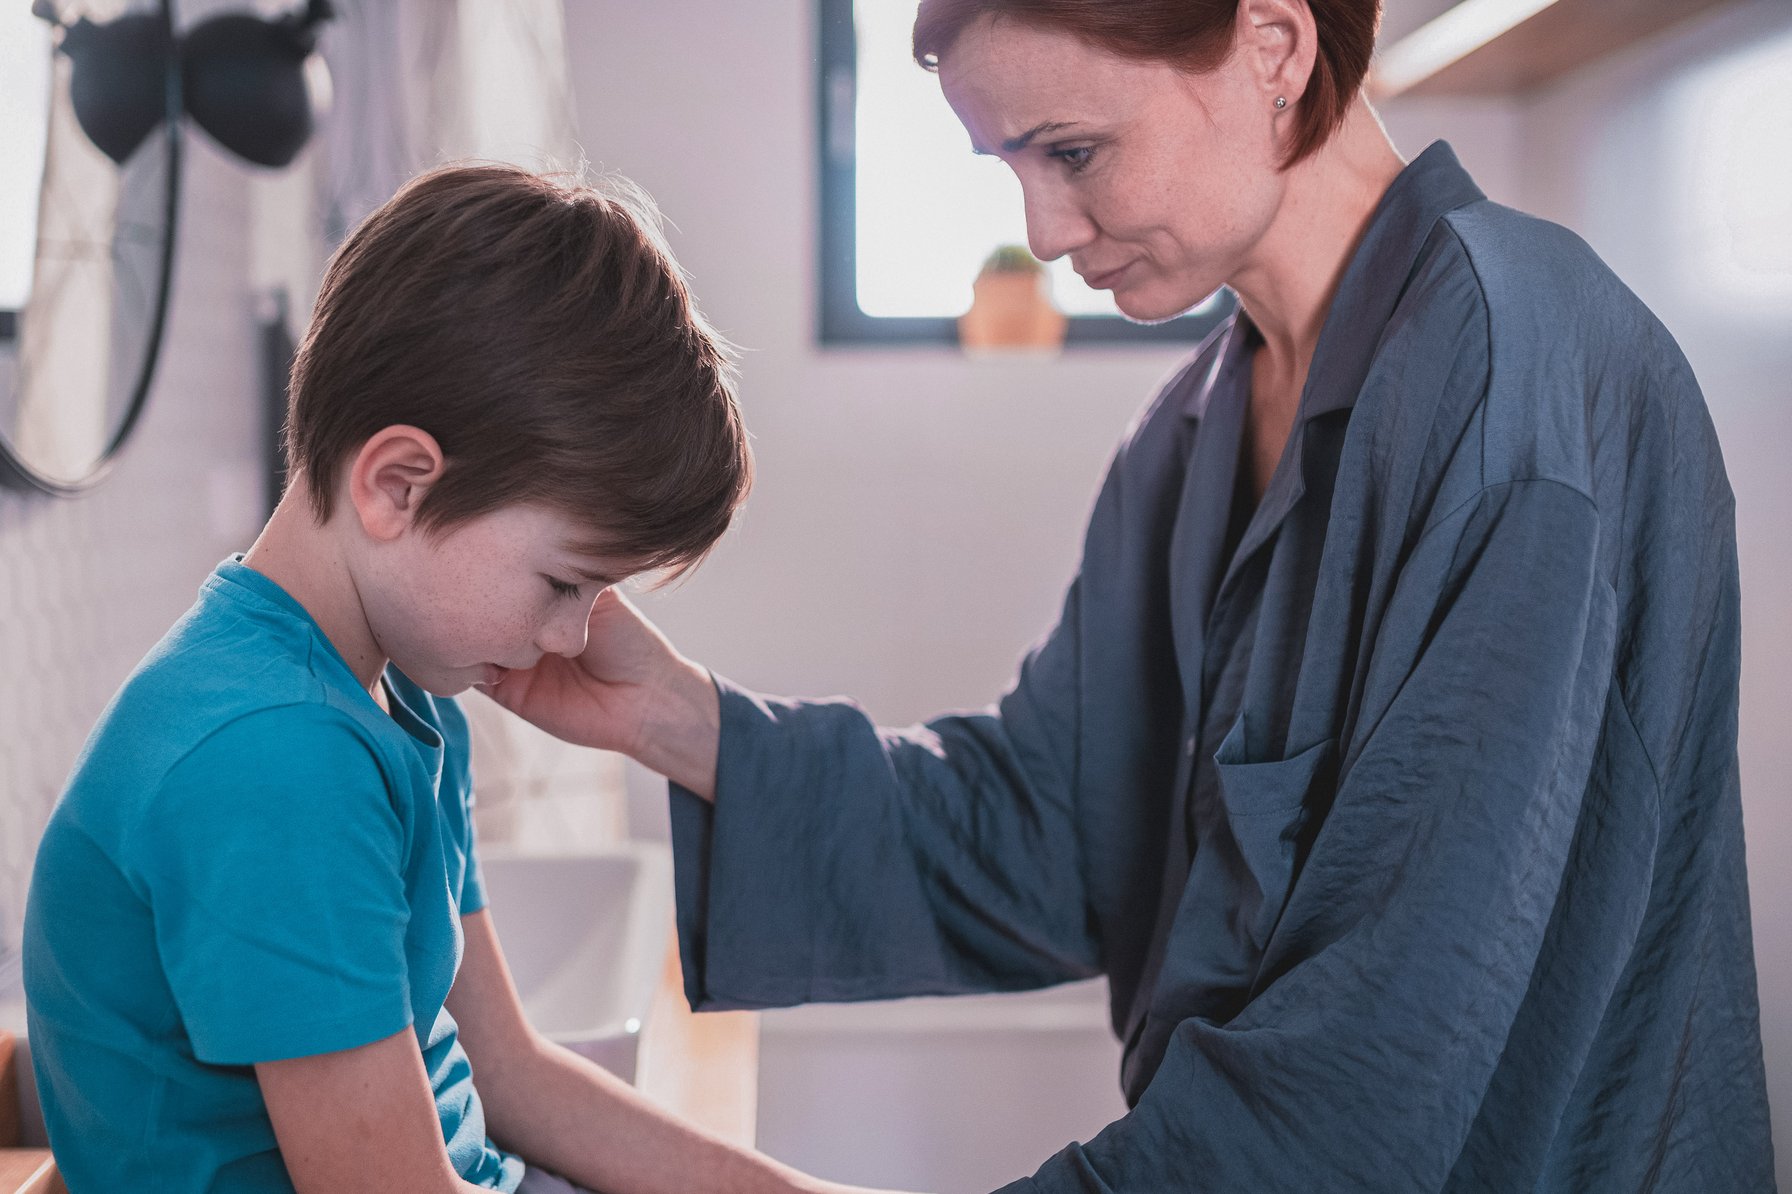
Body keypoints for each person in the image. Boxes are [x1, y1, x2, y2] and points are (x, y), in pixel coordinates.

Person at [486, 0, 1778, 1190]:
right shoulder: (1190, 433)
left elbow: (1364, 1078)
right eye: (1011, 170)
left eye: (1074, 153)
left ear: (1273, 45)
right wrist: (679, 719)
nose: (1043, 231)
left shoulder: (1518, 391)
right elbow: (1050, 830)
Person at [22, 164, 920, 1194]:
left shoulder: (390, 699)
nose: (578, 635)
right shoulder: (275, 756)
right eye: (564, 582)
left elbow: (509, 1075)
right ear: (396, 485)